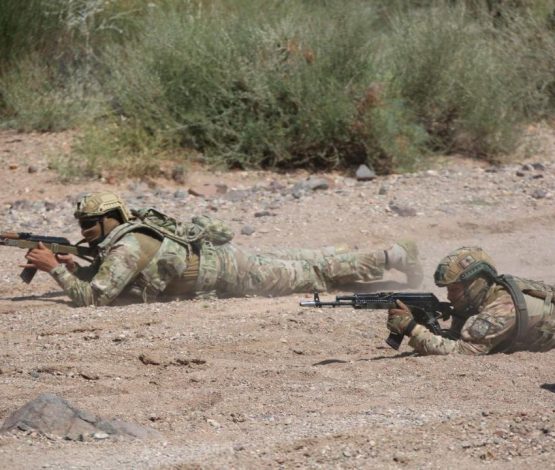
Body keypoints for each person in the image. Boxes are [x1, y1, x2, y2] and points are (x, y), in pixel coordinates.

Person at [23, 191, 423, 307]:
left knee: (315, 273)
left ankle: (391, 257)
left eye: (90, 224)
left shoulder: (129, 243)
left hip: (234, 273)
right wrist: (73, 264)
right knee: (312, 260)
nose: (86, 231)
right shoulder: (125, 235)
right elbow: (108, 278)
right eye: (81, 226)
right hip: (229, 264)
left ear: (110, 219)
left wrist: (54, 270)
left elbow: (95, 298)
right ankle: (389, 258)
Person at [387, 246, 555, 354]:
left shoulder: (502, 309)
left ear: (476, 284)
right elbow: (456, 337)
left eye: (454, 289)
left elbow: (464, 350)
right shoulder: (483, 299)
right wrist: (423, 323)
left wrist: (412, 328)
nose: (449, 296)